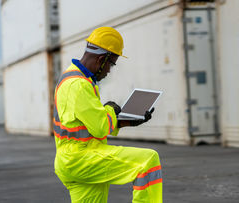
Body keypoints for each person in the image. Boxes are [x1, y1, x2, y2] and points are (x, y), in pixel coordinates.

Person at [53, 27, 163, 203]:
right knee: (148, 161)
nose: (109, 71)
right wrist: (111, 109)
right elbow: (100, 128)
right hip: (82, 159)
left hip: (72, 161)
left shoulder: (73, 78)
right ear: (101, 59)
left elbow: (89, 125)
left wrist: (126, 122)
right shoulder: (78, 84)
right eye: (111, 64)